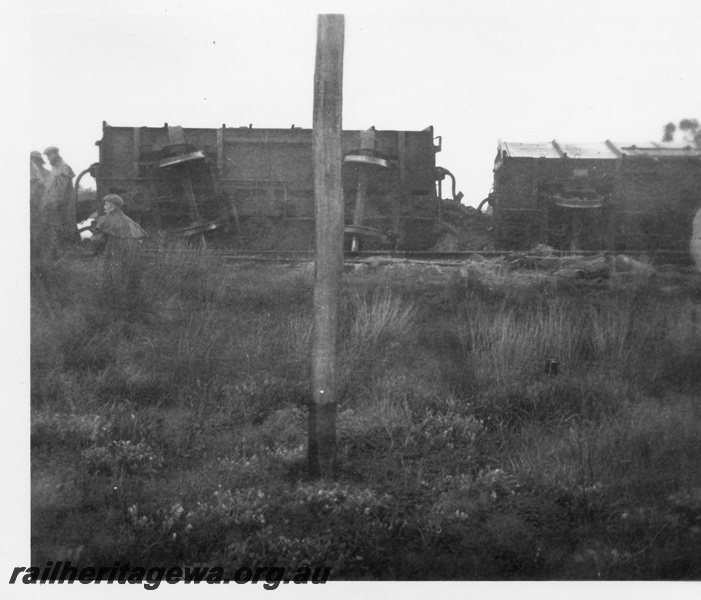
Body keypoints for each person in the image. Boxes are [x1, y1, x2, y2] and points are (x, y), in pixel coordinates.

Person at [92, 194, 148, 301]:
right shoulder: (129, 220)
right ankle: (128, 298)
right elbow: (141, 237)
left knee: (112, 273)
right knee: (128, 273)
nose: (104, 207)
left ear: (113, 207)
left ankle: (112, 299)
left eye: (107, 205)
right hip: (131, 250)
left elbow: (97, 238)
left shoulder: (105, 219)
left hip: (115, 248)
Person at [42, 146, 77, 250]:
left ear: (55, 154)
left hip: (60, 206)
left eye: (49, 155)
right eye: (47, 155)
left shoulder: (63, 168)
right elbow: (50, 189)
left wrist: (53, 203)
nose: (48, 158)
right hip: (53, 205)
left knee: (60, 230)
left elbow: (61, 191)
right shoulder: (54, 169)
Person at [30, 151, 51, 261]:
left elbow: (49, 190)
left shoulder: (47, 174)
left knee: (41, 230)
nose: (34, 162)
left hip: (42, 204)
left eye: (35, 159)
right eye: (32, 159)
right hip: (33, 205)